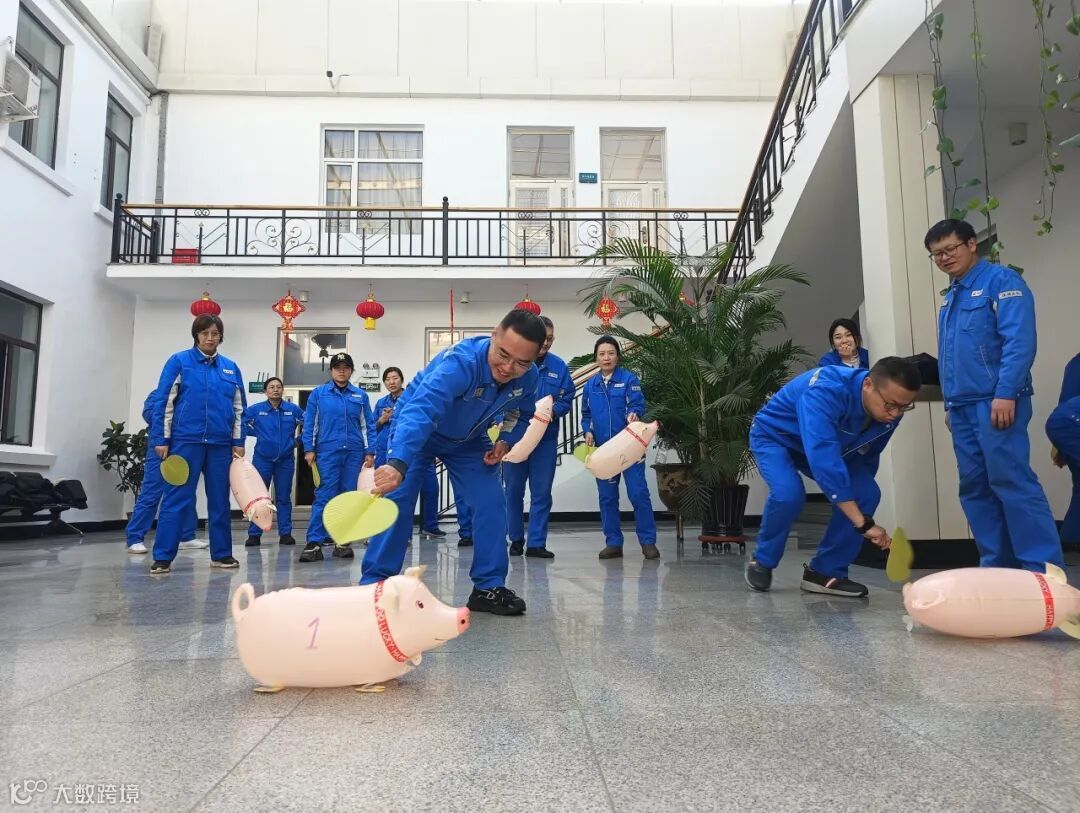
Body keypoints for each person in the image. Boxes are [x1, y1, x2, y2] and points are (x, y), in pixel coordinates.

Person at [362, 309, 547, 616]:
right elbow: (421, 411)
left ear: (536, 357)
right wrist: (398, 463)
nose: (508, 367)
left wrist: (505, 441)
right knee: (397, 501)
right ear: (493, 335)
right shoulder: (461, 363)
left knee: (491, 501)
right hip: (420, 432)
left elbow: (522, 412)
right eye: (503, 354)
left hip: (469, 440)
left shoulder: (529, 378)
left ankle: (488, 587)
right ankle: (375, 587)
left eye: (522, 362)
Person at [928, 218, 1064, 572]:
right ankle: (998, 569)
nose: (944, 258)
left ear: (972, 244)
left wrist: (1006, 393)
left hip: (997, 402)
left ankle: (1042, 570)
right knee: (974, 487)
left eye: (949, 249)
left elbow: (1019, 342)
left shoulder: (1001, 282)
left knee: (1011, 481)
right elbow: (951, 355)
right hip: (962, 406)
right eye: (936, 254)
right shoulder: (952, 295)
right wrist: (950, 403)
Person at [745, 358, 921, 596]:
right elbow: (823, 459)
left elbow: (868, 455)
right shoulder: (825, 391)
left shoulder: (890, 410)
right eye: (890, 405)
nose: (895, 414)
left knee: (866, 493)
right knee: (788, 494)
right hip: (776, 437)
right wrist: (862, 523)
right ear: (868, 384)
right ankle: (762, 561)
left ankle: (825, 572)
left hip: (828, 447)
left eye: (904, 407)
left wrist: (857, 505)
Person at [149, 314, 246, 575]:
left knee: (220, 501)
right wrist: (162, 439)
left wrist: (238, 441)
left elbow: (239, 408)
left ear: (221, 337)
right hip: (185, 442)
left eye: (215, 334)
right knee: (176, 499)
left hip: (220, 445)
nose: (210, 338)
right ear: (196, 335)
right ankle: (163, 556)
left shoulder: (230, 368)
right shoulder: (179, 362)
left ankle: (222, 554)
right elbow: (164, 402)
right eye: (205, 333)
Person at [581, 336, 659, 560]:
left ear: (618, 356)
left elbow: (637, 404)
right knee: (607, 498)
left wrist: (634, 413)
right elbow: (586, 415)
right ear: (596, 358)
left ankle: (648, 542)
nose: (606, 357)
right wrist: (587, 431)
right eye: (602, 354)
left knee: (638, 493)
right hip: (604, 451)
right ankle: (613, 542)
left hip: (629, 448)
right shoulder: (590, 386)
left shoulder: (629, 379)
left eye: (611, 353)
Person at [503, 315, 574, 559]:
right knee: (513, 490)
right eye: (543, 338)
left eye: (550, 339)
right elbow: (502, 395)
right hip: (515, 437)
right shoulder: (517, 362)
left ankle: (536, 543)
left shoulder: (559, 366)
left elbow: (567, 397)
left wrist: (552, 412)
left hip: (545, 439)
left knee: (541, 492)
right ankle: (515, 539)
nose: (546, 343)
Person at [300, 352, 375, 562]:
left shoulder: (360, 396)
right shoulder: (319, 394)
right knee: (324, 496)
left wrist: (370, 451)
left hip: (353, 453)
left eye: (346, 368)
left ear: (351, 371)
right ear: (331, 370)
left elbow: (367, 426)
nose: (342, 371)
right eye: (337, 368)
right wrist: (309, 449)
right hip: (327, 452)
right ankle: (314, 542)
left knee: (348, 498)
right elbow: (310, 423)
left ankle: (342, 542)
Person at [125, 389, 205, 555]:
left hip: (185, 446)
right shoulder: (158, 394)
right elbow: (150, 415)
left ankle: (186, 536)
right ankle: (135, 538)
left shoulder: (190, 394)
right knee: (151, 493)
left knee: (186, 493)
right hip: (161, 448)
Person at [373, 366, 443, 540]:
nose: (392, 382)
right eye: (388, 379)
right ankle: (398, 532)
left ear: (401, 380)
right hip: (388, 452)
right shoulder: (381, 403)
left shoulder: (412, 397)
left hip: (416, 450)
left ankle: (430, 526)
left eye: (395, 378)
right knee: (395, 493)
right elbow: (373, 428)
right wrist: (382, 419)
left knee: (430, 488)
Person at [242, 376, 303, 547]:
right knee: (259, 498)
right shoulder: (256, 410)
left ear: (282, 390)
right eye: (271, 387)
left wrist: (298, 441)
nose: (275, 389)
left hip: (285, 461)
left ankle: (285, 534)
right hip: (262, 460)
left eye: (278, 387)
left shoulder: (292, 409)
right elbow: (239, 423)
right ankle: (254, 534)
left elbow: (311, 424)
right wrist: (258, 434)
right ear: (265, 391)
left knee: (283, 498)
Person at [1047, 351, 1080, 549]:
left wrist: (1060, 447)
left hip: (1066, 428)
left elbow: (1064, 407)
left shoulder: (1075, 362)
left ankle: (1069, 546)